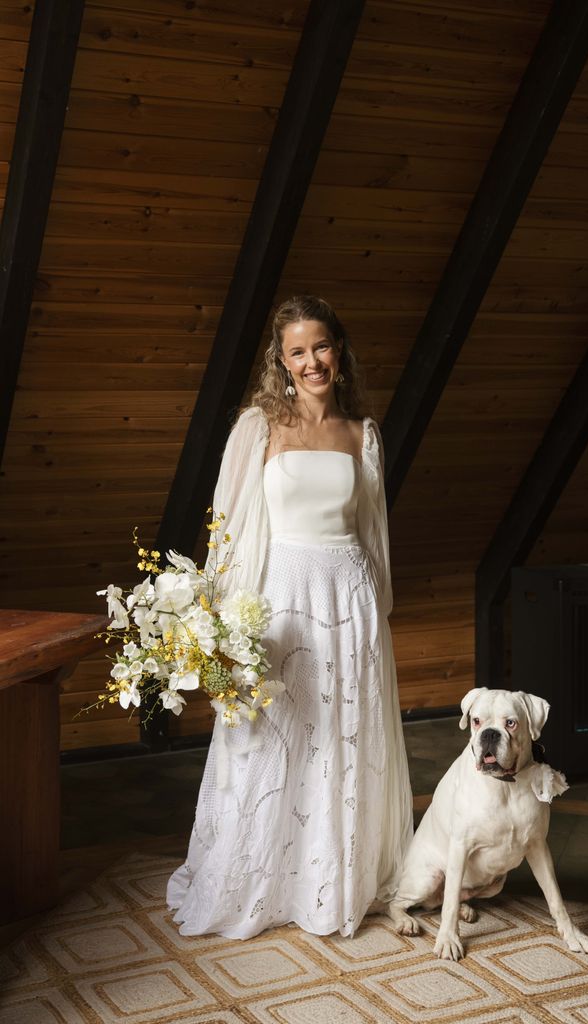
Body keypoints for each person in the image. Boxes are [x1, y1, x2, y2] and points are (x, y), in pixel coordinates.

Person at [167, 295, 413, 939]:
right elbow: (229, 528)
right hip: (280, 598)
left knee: (341, 737)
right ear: (281, 359)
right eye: (298, 351)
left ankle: (335, 879)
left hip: (348, 598)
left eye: (322, 347)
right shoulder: (257, 428)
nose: (312, 362)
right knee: (273, 737)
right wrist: (220, 625)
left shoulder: (363, 435)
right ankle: (257, 878)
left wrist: (376, 613)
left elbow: (374, 534)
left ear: (340, 351)